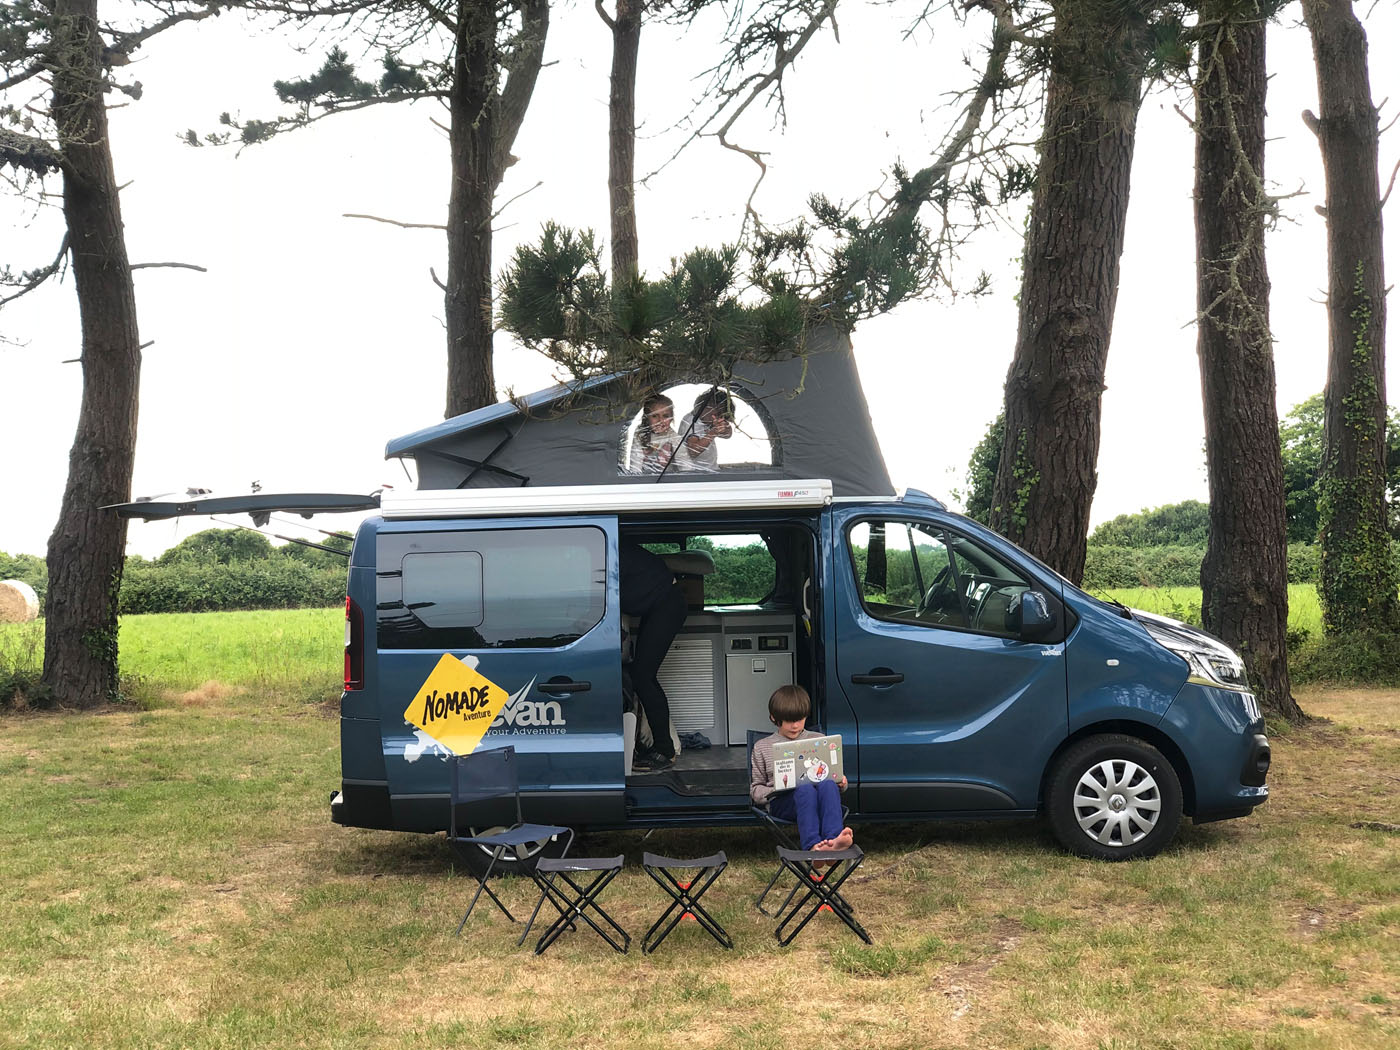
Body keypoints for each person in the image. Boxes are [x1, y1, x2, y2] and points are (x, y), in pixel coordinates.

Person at [750, 684, 854, 852]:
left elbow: (833, 776)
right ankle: (813, 847)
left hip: (820, 797)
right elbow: (755, 790)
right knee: (805, 789)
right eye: (789, 720)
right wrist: (775, 788)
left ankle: (833, 842)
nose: (795, 726)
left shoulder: (819, 740)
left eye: (800, 719)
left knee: (827, 785)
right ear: (773, 717)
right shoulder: (762, 747)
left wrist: (842, 782)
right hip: (783, 803)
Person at [620, 541, 687, 772]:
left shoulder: (613, 552)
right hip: (659, 605)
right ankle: (657, 745)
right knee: (640, 675)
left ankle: (665, 750)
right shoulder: (613, 551)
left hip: (667, 605)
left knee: (642, 677)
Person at [675, 388, 734, 473]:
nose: (719, 418)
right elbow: (692, 451)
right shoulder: (692, 422)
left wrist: (724, 427)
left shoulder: (706, 419)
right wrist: (713, 432)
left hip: (710, 469)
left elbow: (728, 435)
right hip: (694, 474)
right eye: (717, 414)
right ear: (706, 408)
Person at [627, 394, 679, 475]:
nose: (660, 420)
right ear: (647, 418)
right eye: (655, 416)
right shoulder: (640, 435)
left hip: (669, 483)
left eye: (665, 416)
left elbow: (686, 465)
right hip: (646, 483)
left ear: (671, 418)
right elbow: (635, 467)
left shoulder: (674, 437)